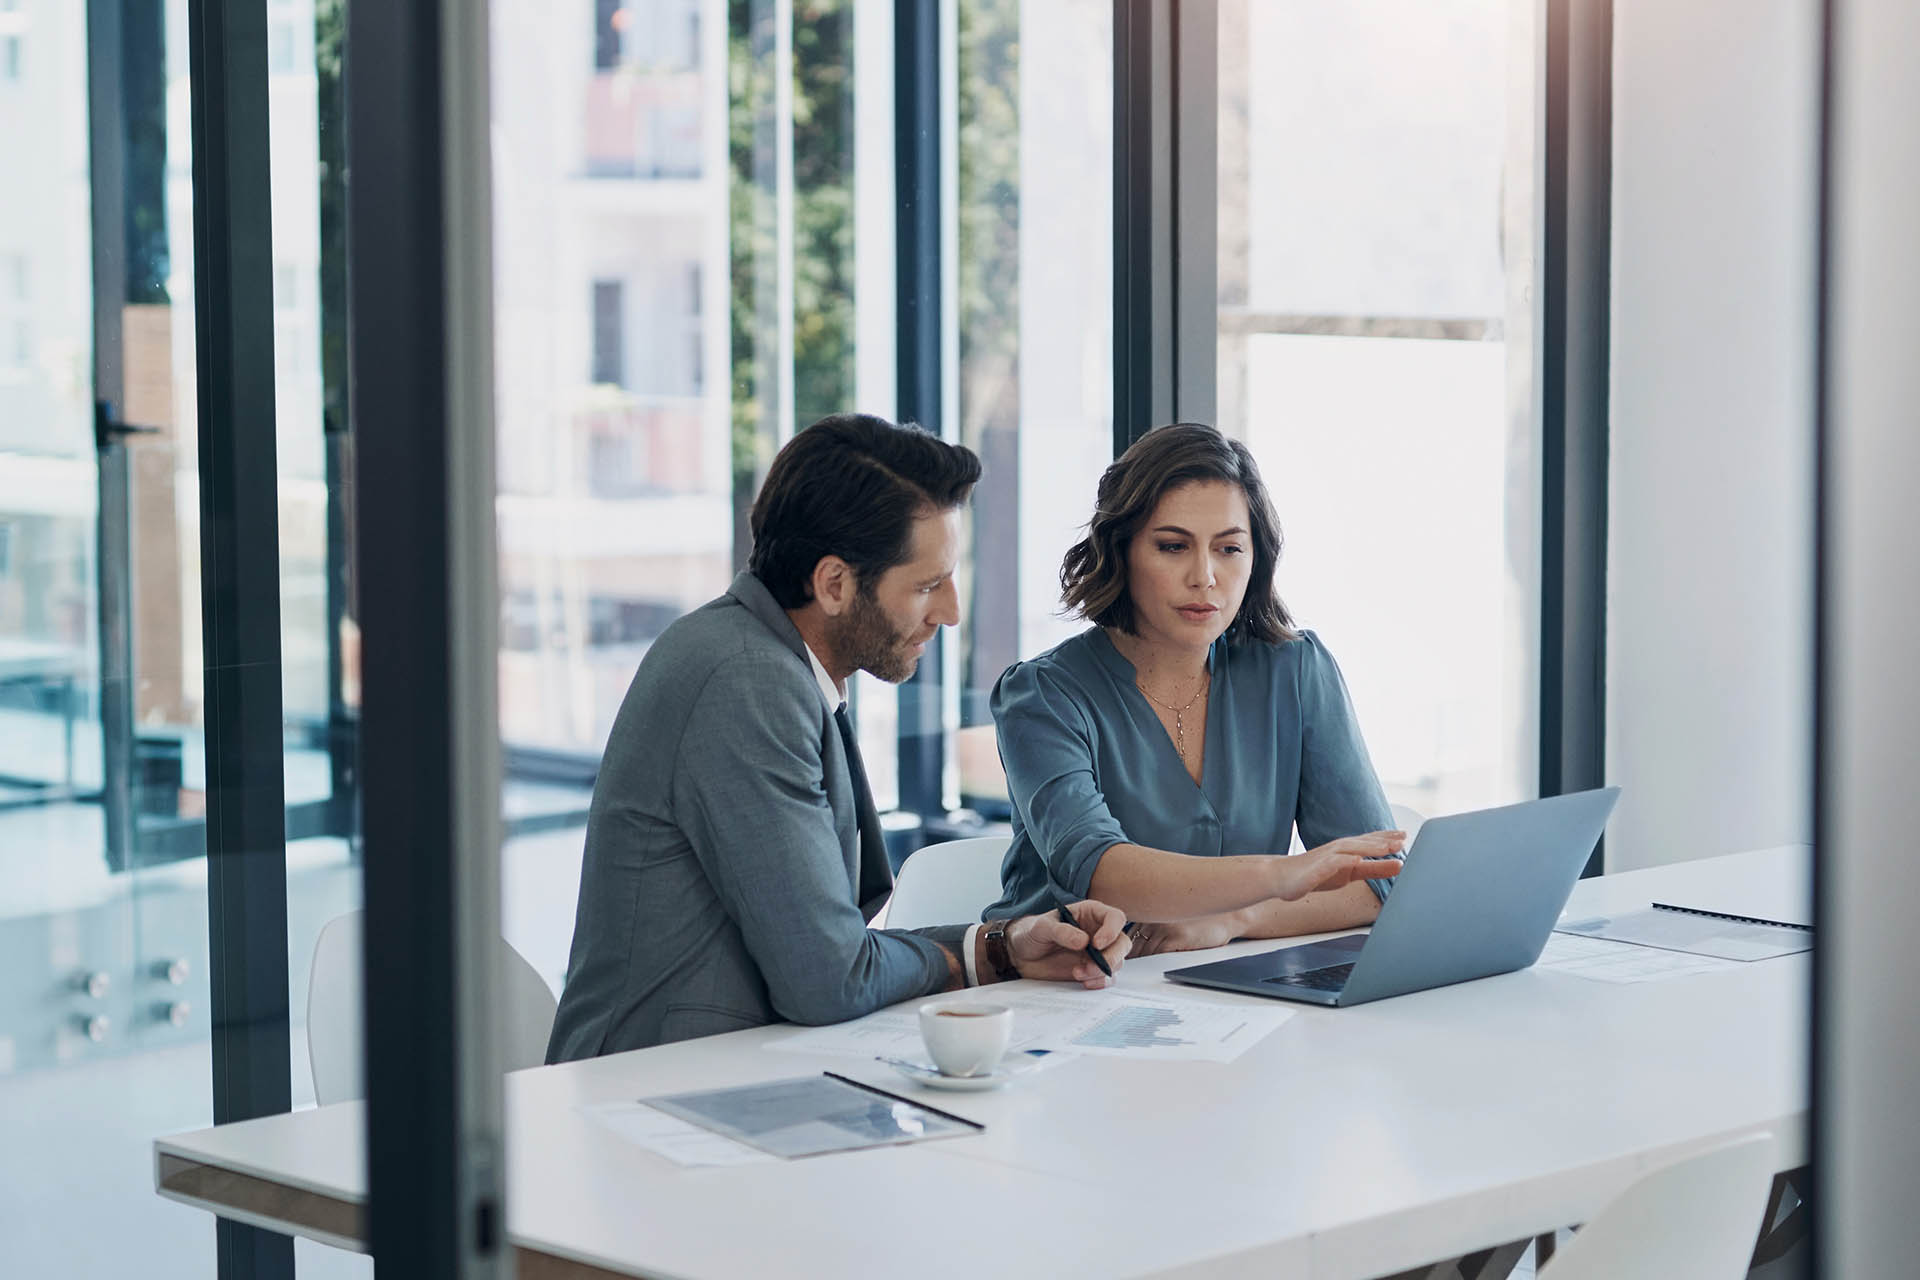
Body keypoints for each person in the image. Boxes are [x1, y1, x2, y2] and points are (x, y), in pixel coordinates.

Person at [547, 413, 1128, 1061]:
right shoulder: (745, 681)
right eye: (929, 585)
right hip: (653, 1089)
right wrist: (972, 958)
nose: (951, 612)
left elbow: (830, 949)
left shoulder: (772, 663)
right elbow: (828, 979)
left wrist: (1000, 945)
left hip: (735, 1070)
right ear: (833, 584)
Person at [985, 422, 1404, 956]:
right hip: (1061, 988)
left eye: (1229, 548)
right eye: (1172, 546)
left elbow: (1378, 880)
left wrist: (1236, 920)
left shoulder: (1295, 669)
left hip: (1226, 991)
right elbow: (1098, 871)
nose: (1204, 576)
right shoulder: (1042, 695)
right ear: (1122, 550)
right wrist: (1284, 875)